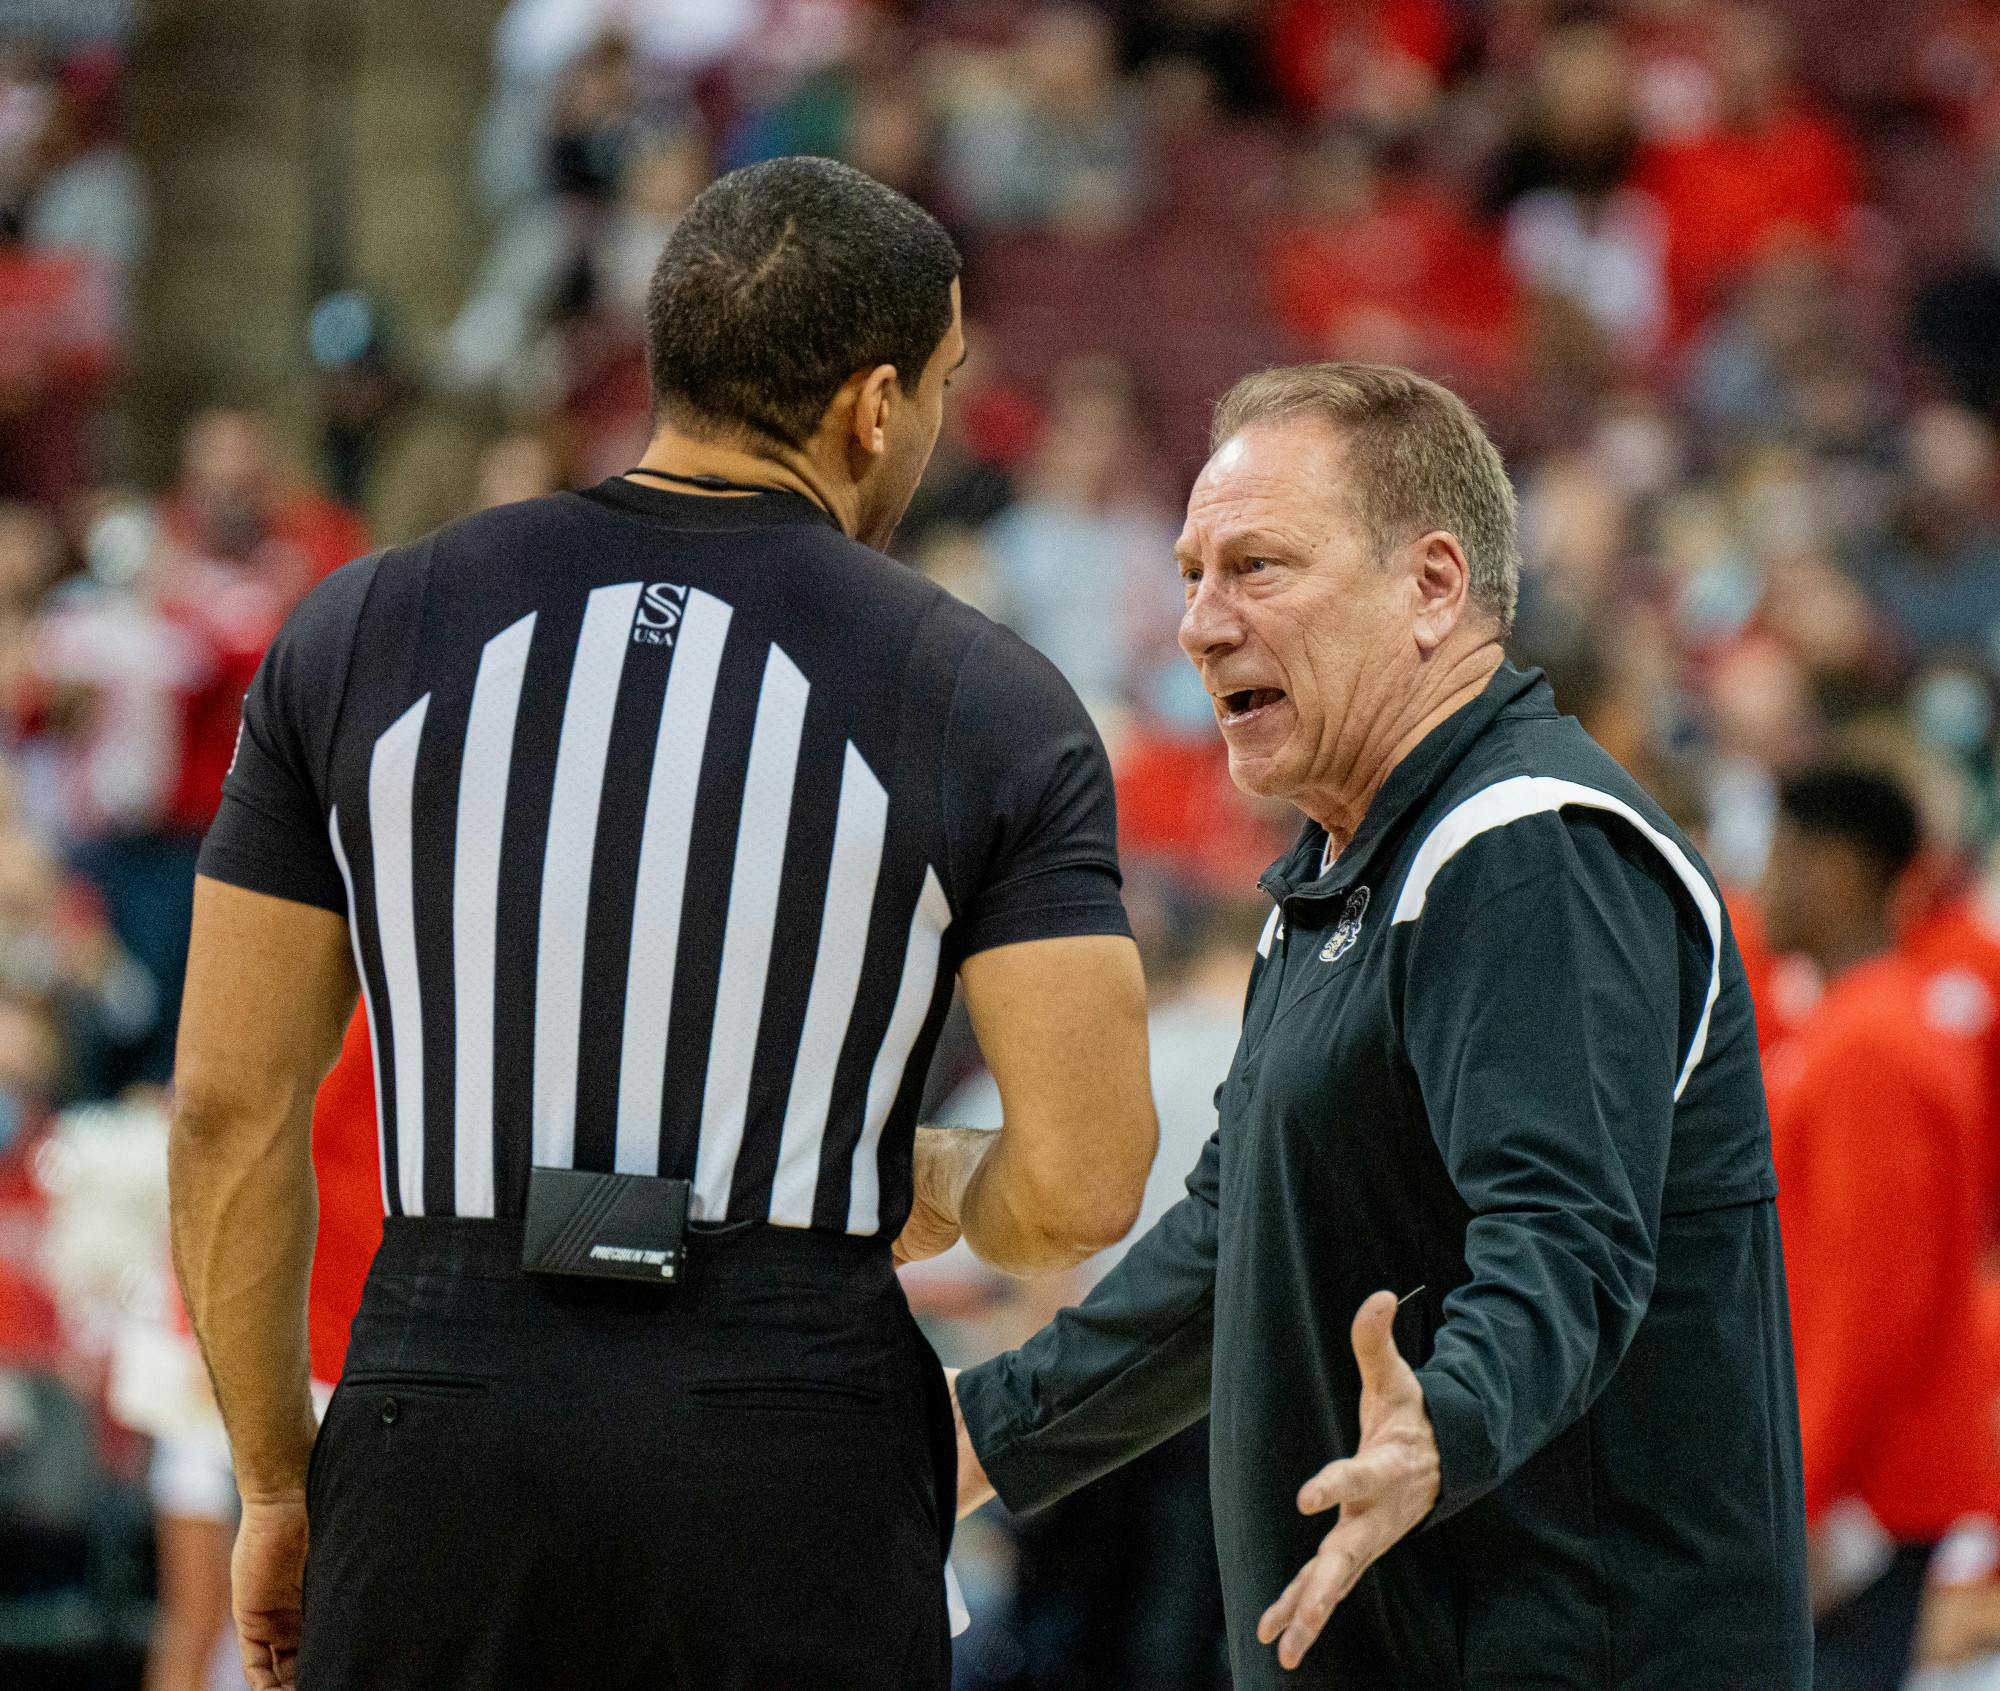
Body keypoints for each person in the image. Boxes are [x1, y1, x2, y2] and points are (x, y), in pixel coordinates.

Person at [167, 156, 1156, 1691]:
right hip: (792, 1419)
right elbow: (1091, 1181)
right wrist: (955, 1181)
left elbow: (230, 1110)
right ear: (873, 407)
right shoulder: (984, 693)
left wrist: (279, 1477)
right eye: (946, 385)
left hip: (444, 1387)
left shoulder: (362, 629)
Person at [953, 361, 1813, 1687]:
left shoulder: (1527, 850)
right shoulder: (1347, 873)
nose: (1199, 622)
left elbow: (1565, 1239)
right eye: (1190, 573)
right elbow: (1229, 1249)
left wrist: (1442, 1425)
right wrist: (967, 1438)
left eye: (1257, 566)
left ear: (1431, 585)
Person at [1759, 764, 2000, 1691]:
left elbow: (1872, 1303)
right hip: (1868, 1474)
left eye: (1780, 857)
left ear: (1839, 872)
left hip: (1869, 1487)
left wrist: (1809, 1494)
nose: (1764, 884)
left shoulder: (1872, 1045)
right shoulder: (1854, 1026)